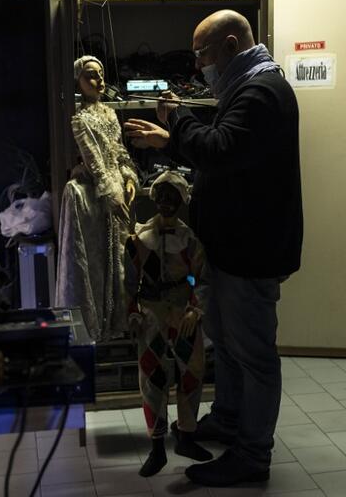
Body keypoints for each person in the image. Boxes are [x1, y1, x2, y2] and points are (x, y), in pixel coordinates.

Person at [123, 10, 303, 487]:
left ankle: (252, 453)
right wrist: (173, 138)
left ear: (229, 44)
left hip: (251, 251)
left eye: (201, 53)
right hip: (233, 247)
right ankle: (228, 418)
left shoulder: (261, 92)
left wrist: (177, 119)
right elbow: (230, 154)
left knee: (254, 353)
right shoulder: (246, 87)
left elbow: (220, 150)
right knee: (226, 342)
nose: (198, 63)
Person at [124, 171, 212, 477]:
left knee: (192, 372)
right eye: (161, 196)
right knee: (152, 377)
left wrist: (193, 308)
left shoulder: (190, 241)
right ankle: (157, 446)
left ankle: (186, 435)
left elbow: (198, 278)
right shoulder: (139, 241)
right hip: (151, 314)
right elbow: (129, 282)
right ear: (154, 197)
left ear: (182, 201)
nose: (166, 203)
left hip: (182, 314)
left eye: (173, 197)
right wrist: (133, 311)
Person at [55, 56, 137, 341]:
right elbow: (95, 162)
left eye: (101, 75)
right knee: (95, 261)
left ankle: (119, 321)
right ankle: (96, 325)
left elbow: (119, 152)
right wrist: (111, 191)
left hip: (116, 191)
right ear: (78, 81)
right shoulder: (80, 119)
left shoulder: (110, 114)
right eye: (91, 75)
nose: (99, 81)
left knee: (120, 256)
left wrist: (128, 178)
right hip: (93, 196)